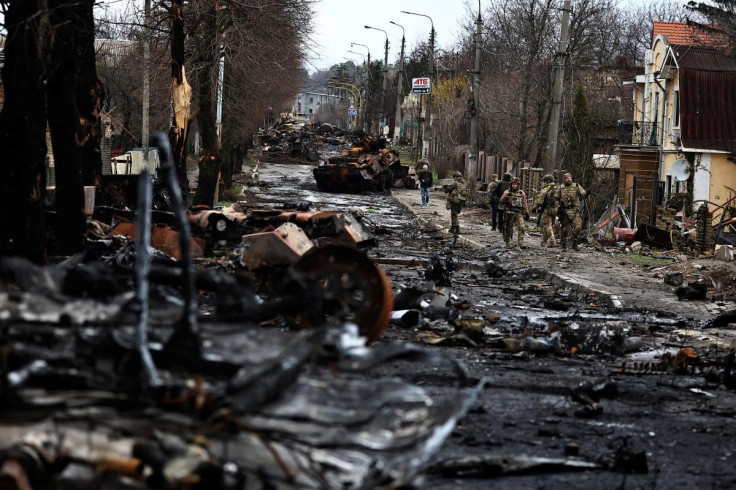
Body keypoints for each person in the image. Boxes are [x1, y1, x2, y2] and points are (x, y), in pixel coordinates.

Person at [556, 172, 587, 251]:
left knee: (577, 227)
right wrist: (558, 207)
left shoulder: (576, 186)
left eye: (570, 178)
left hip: (575, 210)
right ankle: (564, 245)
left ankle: (575, 244)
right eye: (567, 178)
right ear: (564, 179)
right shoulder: (561, 187)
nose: (569, 179)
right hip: (565, 210)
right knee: (565, 229)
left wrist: (587, 194)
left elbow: (583, 193)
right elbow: (556, 198)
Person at [499, 177, 529, 248]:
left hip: (518, 213)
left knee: (522, 227)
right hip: (509, 213)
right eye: (513, 184)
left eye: (516, 184)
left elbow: (524, 203)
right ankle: (508, 243)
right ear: (511, 184)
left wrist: (527, 213)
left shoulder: (521, 193)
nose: (514, 186)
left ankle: (520, 243)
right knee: (508, 229)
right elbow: (501, 202)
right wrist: (505, 197)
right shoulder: (507, 192)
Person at [532, 174, 559, 248]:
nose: (543, 183)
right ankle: (543, 242)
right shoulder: (557, 188)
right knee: (547, 226)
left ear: (546, 181)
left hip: (547, 209)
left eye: (544, 182)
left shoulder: (545, 189)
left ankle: (553, 242)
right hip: (555, 210)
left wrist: (534, 208)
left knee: (547, 226)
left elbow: (539, 201)